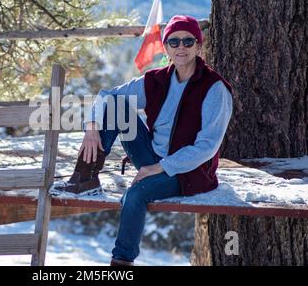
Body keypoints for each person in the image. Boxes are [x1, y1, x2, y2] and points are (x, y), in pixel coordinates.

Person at [57, 15, 233, 266]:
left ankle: (121, 262)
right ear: (166, 47)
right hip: (151, 155)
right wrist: (92, 126)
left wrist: (159, 168)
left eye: (187, 41)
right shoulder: (155, 80)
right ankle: (86, 177)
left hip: (187, 172)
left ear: (199, 45)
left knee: (136, 194)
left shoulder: (214, 88)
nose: (180, 47)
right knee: (118, 106)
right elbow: (108, 96)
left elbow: (207, 147)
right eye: (174, 42)